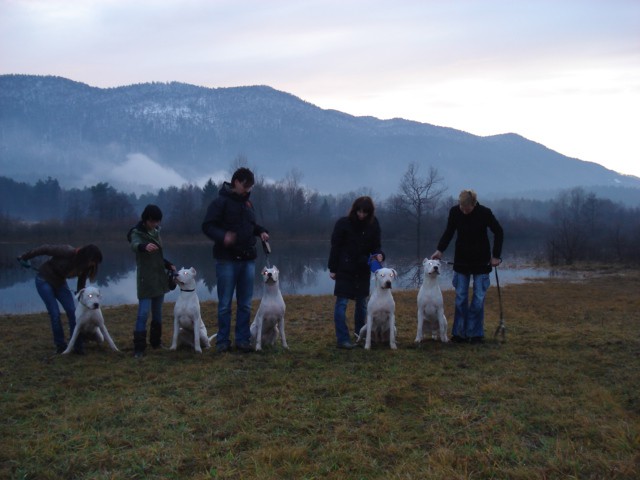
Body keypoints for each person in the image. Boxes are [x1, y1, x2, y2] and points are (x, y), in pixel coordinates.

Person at [202, 167, 269, 353]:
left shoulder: (248, 204)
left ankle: (242, 340)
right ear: (236, 182)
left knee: (245, 304)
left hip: (248, 260)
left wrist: (261, 231)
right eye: (246, 186)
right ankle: (223, 341)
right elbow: (207, 226)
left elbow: (251, 226)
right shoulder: (219, 202)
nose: (248, 190)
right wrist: (223, 236)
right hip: (226, 260)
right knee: (224, 304)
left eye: (251, 187)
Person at [431, 189, 504, 344]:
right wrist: (440, 250)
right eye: (461, 208)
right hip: (461, 262)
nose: (464, 211)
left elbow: (499, 232)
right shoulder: (454, 212)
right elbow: (449, 232)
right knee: (460, 299)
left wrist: (496, 256)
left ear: (474, 204)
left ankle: (475, 334)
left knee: (478, 299)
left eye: (467, 209)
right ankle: (459, 334)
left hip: (481, 262)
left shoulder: (485, 213)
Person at [17, 244, 103, 354]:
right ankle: (60, 346)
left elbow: (81, 284)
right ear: (86, 256)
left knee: (73, 312)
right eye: (93, 261)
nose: (93, 264)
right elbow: (45, 249)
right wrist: (25, 257)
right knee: (55, 313)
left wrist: (83, 300)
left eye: (95, 262)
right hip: (44, 280)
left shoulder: (85, 266)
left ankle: (78, 346)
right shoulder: (67, 251)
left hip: (60, 283)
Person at [328, 196, 384, 349]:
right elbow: (335, 247)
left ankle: (360, 335)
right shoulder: (343, 224)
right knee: (341, 304)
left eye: (365, 212)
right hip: (345, 268)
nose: (361, 215)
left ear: (370, 212)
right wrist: (332, 268)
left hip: (363, 270)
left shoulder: (374, 224)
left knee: (362, 304)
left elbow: (376, 246)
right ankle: (343, 339)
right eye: (359, 211)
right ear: (354, 210)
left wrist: (379, 255)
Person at [128, 204, 175, 358]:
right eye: (153, 221)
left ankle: (156, 342)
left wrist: (168, 264)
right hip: (146, 280)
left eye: (157, 221)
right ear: (146, 219)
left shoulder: (156, 232)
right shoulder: (136, 233)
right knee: (143, 314)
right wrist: (143, 246)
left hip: (159, 278)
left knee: (157, 313)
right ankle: (139, 348)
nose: (156, 224)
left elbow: (158, 256)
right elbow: (134, 245)